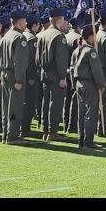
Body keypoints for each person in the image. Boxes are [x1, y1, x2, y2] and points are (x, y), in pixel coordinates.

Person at [36, 8, 70, 142]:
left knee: (46, 102)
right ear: (59, 20)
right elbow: (61, 59)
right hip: (56, 74)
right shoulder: (59, 36)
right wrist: (62, 77)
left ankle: (46, 130)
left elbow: (37, 58)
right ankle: (52, 131)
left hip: (44, 72)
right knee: (55, 103)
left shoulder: (42, 34)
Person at [0, 11, 29, 145]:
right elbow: (19, 62)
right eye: (25, 21)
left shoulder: (5, 37)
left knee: (6, 106)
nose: (26, 23)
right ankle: (13, 135)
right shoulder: (19, 38)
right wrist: (19, 80)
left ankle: (6, 134)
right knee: (15, 107)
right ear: (20, 22)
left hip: (4, 74)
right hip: (14, 75)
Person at [72, 25, 106, 150]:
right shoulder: (90, 51)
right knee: (90, 113)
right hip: (89, 84)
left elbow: (72, 68)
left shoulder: (77, 50)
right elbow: (96, 70)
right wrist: (101, 84)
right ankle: (88, 141)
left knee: (81, 114)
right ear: (91, 36)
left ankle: (81, 139)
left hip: (78, 83)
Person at [21, 14, 41, 136]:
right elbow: (32, 61)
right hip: (29, 77)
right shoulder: (32, 39)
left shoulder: (23, 36)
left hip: (21, 75)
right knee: (29, 103)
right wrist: (32, 77)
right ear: (34, 25)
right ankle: (25, 128)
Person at [63, 17, 81, 134]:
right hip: (74, 71)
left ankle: (66, 123)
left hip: (65, 70)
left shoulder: (65, 37)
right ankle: (72, 125)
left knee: (67, 99)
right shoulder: (77, 39)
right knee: (75, 100)